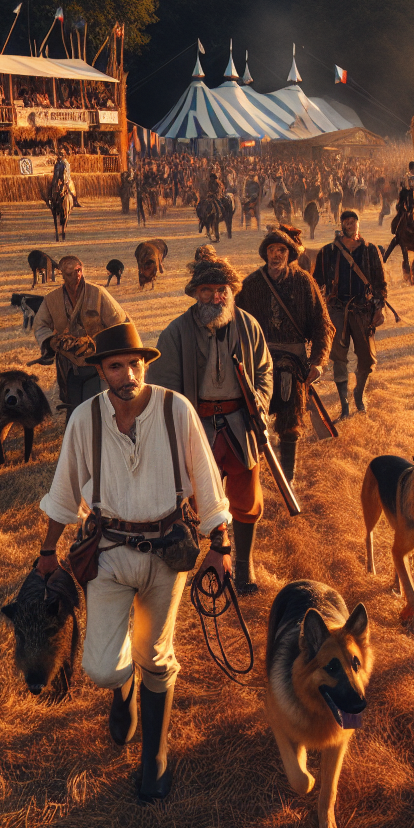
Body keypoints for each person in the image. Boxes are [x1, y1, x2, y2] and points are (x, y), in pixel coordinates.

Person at [35, 322, 232, 803]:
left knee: (156, 655)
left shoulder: (175, 409)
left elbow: (207, 481)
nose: (129, 374)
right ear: (101, 371)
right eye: (117, 365)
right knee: (102, 667)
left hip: (169, 552)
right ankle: (122, 690)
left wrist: (220, 545)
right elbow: (64, 490)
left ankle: (155, 755)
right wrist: (46, 552)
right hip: (106, 552)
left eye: (135, 364)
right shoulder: (84, 419)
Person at [147, 246, 272, 595]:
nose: (215, 297)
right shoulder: (175, 332)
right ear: (195, 294)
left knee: (247, 499)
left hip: (239, 423)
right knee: (199, 498)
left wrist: (258, 403)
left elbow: (264, 371)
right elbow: (164, 385)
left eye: (222, 291)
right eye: (207, 291)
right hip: (196, 426)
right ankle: (211, 561)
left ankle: (244, 569)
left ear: (231, 293)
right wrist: (178, 426)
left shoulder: (248, 326)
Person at [235, 224, 332, 479]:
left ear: (289, 253)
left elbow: (323, 324)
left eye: (281, 250)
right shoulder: (251, 285)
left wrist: (318, 362)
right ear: (265, 253)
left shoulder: (304, 281)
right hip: (258, 363)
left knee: (290, 425)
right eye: (271, 250)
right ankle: (251, 474)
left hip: (293, 363)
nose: (276, 255)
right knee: (253, 419)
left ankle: (288, 477)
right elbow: (234, 322)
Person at [313, 210, 387, 417]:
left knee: (367, 359)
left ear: (358, 224)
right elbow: (317, 284)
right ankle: (344, 404)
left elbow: (380, 283)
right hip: (336, 309)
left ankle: (359, 394)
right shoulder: (327, 252)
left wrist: (379, 308)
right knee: (338, 358)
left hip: (363, 310)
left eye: (353, 221)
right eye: (346, 222)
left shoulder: (371, 250)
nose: (350, 225)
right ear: (342, 225)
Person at [33, 255, 129, 414]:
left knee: (95, 409)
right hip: (69, 368)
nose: (76, 275)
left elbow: (119, 323)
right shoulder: (52, 299)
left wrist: (95, 342)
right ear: (62, 275)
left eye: (78, 270)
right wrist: (52, 341)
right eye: (70, 273)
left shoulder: (98, 293)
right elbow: (40, 325)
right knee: (74, 410)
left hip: (97, 365)